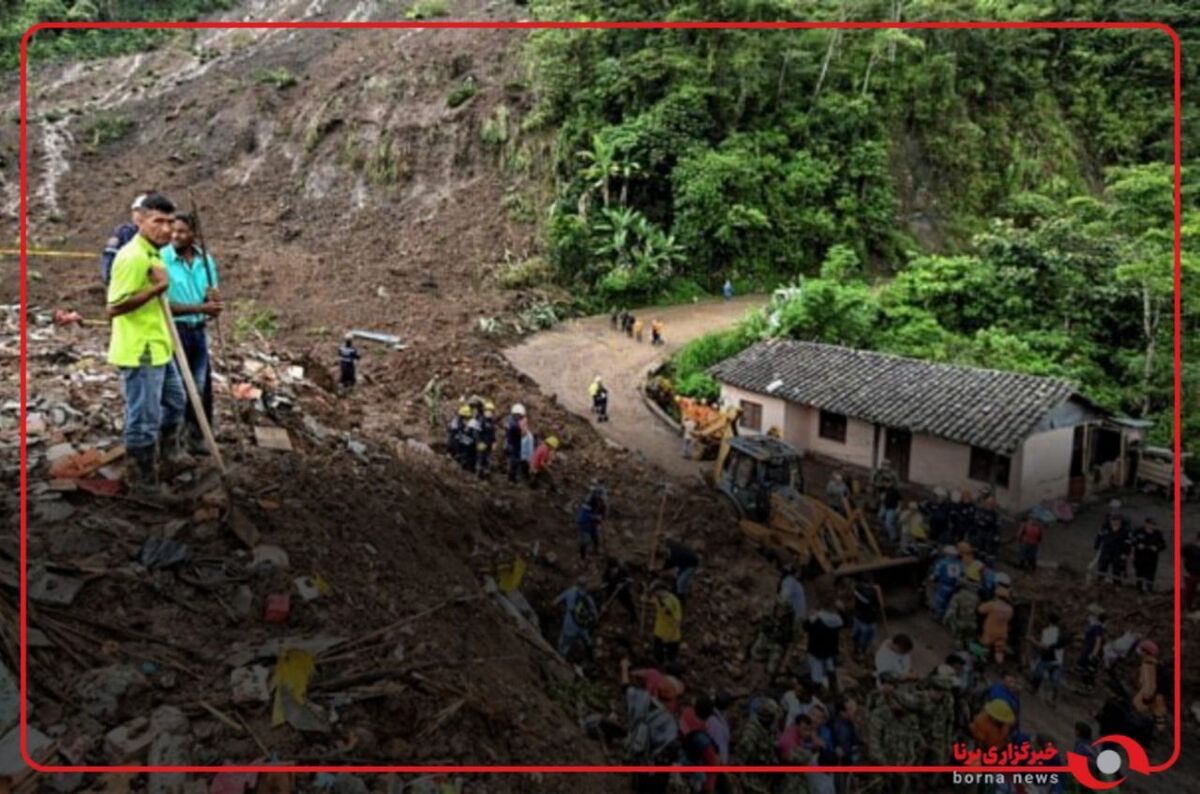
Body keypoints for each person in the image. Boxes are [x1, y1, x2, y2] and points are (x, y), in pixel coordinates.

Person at [105, 192, 187, 497]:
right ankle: (142, 481)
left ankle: (169, 456)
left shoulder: (155, 253)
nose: (166, 229)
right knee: (144, 419)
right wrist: (159, 287)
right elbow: (114, 307)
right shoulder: (131, 256)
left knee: (176, 402)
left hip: (160, 347)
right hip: (140, 351)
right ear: (140, 220)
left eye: (170, 222)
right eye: (158, 222)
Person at [161, 212, 221, 453]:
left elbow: (211, 297)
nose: (176, 235)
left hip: (197, 331)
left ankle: (198, 436)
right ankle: (173, 440)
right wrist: (200, 307)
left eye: (182, 231)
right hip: (175, 331)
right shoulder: (162, 259)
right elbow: (163, 306)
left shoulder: (204, 261)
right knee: (178, 389)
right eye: (173, 230)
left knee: (201, 385)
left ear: (193, 234)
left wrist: (214, 305)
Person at [100, 192, 148, 286]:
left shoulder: (159, 235)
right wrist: (110, 281)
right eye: (136, 211)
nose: (139, 215)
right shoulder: (124, 232)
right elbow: (109, 256)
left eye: (143, 211)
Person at [733, 698, 779, 793]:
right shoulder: (751, 732)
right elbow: (740, 760)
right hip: (750, 782)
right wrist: (744, 783)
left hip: (763, 779)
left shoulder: (769, 730)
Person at [679, 699, 719, 793]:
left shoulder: (686, 713)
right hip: (693, 774)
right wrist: (709, 786)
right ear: (708, 716)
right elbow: (713, 763)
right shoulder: (702, 738)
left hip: (680, 762)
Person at [804, 603, 845, 692]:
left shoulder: (815, 619)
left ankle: (818, 691)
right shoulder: (836, 619)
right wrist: (842, 611)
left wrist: (811, 616)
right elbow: (845, 623)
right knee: (830, 672)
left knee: (817, 675)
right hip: (830, 652)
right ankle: (832, 689)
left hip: (816, 652)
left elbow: (805, 626)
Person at [555, 576, 597, 660]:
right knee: (586, 640)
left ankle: (559, 659)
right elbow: (594, 615)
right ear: (585, 586)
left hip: (569, 626)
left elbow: (555, 602)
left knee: (564, 644)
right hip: (582, 627)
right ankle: (591, 656)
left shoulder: (570, 592)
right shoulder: (588, 599)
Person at [1131, 639, 1168, 733]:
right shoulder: (1158, 665)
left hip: (1148, 698)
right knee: (1159, 721)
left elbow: (1149, 685)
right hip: (1159, 699)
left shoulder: (1148, 665)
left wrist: (1144, 700)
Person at [1030, 612, 1066, 703]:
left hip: (1048, 657)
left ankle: (1034, 689)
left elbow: (1045, 646)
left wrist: (1033, 641)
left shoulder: (1047, 631)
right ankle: (1053, 699)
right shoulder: (1061, 632)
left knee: (1038, 673)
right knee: (1054, 679)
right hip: (1058, 659)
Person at [1094, 505, 1132, 585]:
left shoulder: (1125, 531)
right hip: (1106, 550)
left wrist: (1125, 553)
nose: (1115, 522)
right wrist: (1097, 546)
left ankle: (1117, 585)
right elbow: (1099, 536)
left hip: (1118, 552)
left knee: (1117, 571)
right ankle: (1099, 582)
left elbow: (1128, 544)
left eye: (1117, 520)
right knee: (1102, 567)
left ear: (1120, 521)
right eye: (1113, 520)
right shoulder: (1105, 527)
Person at [978, 583, 1014, 664]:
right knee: (999, 649)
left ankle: (984, 660)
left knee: (986, 645)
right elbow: (1009, 619)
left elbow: (980, 610)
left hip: (990, 630)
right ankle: (999, 662)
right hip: (1002, 632)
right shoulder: (1010, 609)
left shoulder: (992, 605)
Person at [1074, 604, 1106, 693]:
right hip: (1087, 650)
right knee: (1083, 669)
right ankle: (1085, 687)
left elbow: (1098, 641)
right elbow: (1087, 637)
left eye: (1091, 615)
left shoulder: (1097, 627)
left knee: (1088, 671)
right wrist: (1076, 637)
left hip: (1091, 652)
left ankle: (1088, 688)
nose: (1089, 616)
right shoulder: (1093, 627)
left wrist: (1094, 654)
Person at [1130, 516, 1167, 593]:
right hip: (1140, 557)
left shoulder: (1157, 533)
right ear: (1146, 524)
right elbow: (1131, 541)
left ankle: (1149, 589)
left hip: (1152, 558)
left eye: (1153, 524)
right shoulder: (1138, 531)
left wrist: (1157, 548)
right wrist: (1137, 545)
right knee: (1139, 573)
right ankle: (1139, 589)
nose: (1151, 526)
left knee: (1150, 575)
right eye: (1149, 524)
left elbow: (1163, 545)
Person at [599, 556, 637, 625]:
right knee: (607, 603)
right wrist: (604, 585)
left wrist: (623, 584)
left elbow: (630, 580)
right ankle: (604, 616)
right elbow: (604, 581)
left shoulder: (623, 570)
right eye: (612, 569)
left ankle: (633, 617)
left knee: (628, 604)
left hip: (622, 591)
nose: (614, 570)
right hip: (611, 589)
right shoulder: (607, 572)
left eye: (615, 568)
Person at [851, 576, 882, 659]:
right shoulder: (872, 594)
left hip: (858, 617)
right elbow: (879, 605)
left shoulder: (857, 589)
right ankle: (861, 652)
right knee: (865, 639)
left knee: (856, 635)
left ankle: (856, 650)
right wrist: (878, 591)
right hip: (868, 621)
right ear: (870, 582)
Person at [944, 580, 980, 650]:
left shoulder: (957, 596)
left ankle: (959, 647)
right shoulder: (976, 598)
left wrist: (946, 621)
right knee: (969, 640)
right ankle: (969, 648)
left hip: (960, 624)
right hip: (972, 625)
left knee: (958, 638)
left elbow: (951, 612)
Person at [652, 585, 683, 664]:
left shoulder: (673, 601)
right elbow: (648, 599)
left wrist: (669, 636)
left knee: (671, 658)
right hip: (659, 632)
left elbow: (678, 621)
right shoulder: (657, 598)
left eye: (656, 592)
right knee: (658, 654)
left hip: (672, 637)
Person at [929, 544, 963, 617]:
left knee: (940, 601)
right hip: (954, 586)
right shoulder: (960, 564)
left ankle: (938, 615)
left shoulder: (942, 563)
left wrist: (932, 578)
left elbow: (936, 575)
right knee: (949, 602)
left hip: (944, 585)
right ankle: (946, 617)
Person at [504, 403, 527, 482]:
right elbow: (522, 433)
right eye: (520, 416)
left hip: (510, 443)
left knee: (512, 460)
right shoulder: (513, 424)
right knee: (514, 461)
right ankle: (511, 477)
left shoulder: (509, 419)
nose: (520, 418)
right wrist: (523, 426)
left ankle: (511, 475)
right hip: (513, 444)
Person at [476, 401, 497, 478]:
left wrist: (494, 442)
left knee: (488, 459)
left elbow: (493, 433)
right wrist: (479, 442)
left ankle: (487, 473)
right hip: (482, 443)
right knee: (481, 459)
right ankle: (479, 474)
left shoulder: (492, 421)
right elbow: (477, 433)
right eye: (488, 410)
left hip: (489, 443)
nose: (489, 413)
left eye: (491, 411)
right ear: (485, 411)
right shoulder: (481, 420)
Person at [1184, 530, 1200, 610]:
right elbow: (1180, 556)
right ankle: (1188, 608)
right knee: (1189, 592)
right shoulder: (1189, 547)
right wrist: (1183, 570)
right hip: (1191, 573)